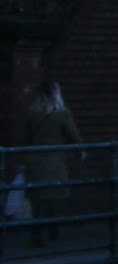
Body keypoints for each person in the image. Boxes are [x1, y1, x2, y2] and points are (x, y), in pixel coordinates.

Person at [23, 78, 81, 246]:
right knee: (52, 196)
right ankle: (52, 228)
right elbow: (74, 136)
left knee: (37, 197)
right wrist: (80, 152)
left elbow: (25, 139)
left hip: (34, 160)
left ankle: (36, 233)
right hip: (54, 160)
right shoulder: (62, 113)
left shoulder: (32, 113)